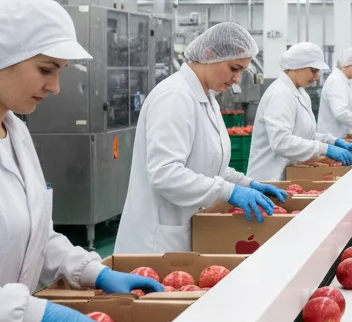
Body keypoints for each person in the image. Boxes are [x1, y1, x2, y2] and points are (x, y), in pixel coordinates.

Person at [0, 0, 161, 322]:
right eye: (46, 69)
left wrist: (91, 271)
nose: (55, 87)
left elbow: (34, 235)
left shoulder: (15, 131)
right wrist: (31, 314)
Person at [117, 23, 287, 253]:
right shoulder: (174, 97)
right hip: (158, 242)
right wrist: (229, 192)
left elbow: (207, 165)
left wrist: (245, 184)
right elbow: (165, 174)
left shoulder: (207, 98)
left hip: (187, 230)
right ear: (209, 54)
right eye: (234, 68)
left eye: (241, 71)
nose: (237, 79)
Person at [247, 43, 352, 182]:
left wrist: (332, 141)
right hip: (270, 177)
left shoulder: (301, 93)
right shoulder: (280, 94)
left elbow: (305, 134)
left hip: (288, 174)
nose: (316, 76)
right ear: (296, 66)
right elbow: (282, 142)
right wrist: (325, 148)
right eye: (313, 70)